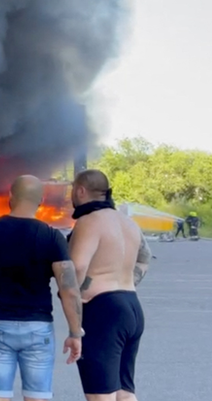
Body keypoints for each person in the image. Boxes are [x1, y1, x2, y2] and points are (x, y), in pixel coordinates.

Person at [0, 175, 84, 401]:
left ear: (10, 197)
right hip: (38, 327)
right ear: (41, 200)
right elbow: (69, 289)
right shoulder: (52, 236)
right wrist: (75, 333)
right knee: (37, 397)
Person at [68, 169, 149, 401]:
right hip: (131, 305)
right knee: (124, 392)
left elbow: (78, 268)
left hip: (103, 311)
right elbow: (145, 258)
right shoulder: (128, 223)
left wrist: (77, 296)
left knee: (100, 395)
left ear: (81, 191)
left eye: (72, 191)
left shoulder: (88, 222)